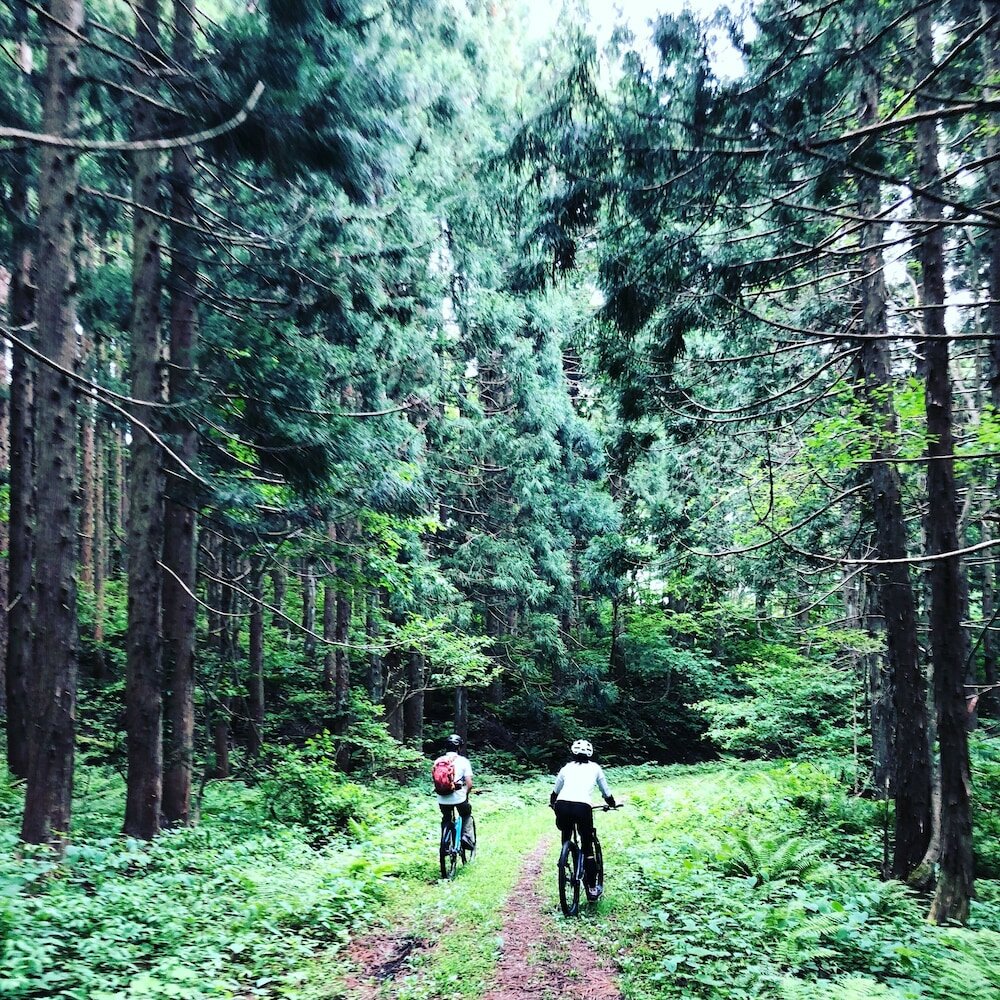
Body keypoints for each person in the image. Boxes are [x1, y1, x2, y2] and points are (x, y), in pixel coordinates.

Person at [549, 738, 616, 899]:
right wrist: (612, 804)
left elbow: (555, 791)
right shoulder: (595, 768)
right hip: (583, 807)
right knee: (587, 847)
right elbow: (606, 792)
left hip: (562, 805)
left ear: (573, 752)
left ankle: (565, 855)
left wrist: (552, 804)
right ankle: (592, 888)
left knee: (566, 830)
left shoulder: (566, 768)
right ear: (590, 753)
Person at [434, 733, 475, 849]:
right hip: (459, 797)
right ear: (459, 747)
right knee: (466, 814)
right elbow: (469, 784)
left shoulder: (438, 761)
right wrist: (466, 793)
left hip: (442, 798)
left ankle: (445, 842)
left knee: (446, 818)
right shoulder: (463, 761)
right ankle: (466, 837)